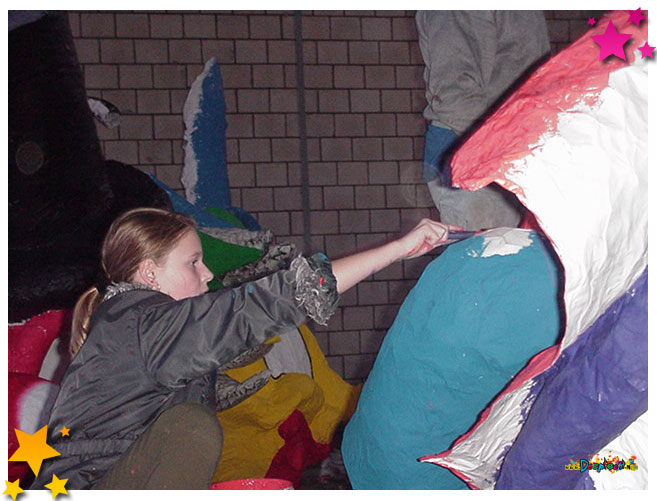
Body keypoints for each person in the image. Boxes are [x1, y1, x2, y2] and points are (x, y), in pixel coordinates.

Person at [30, 207, 454, 490]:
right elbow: (259, 307)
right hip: (86, 487)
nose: (207, 273)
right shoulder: (142, 323)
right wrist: (395, 250)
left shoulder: (133, 325)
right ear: (149, 273)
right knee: (191, 426)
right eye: (192, 262)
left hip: (98, 481)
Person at [416, 10, 550, 230]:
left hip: (510, 153)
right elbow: (454, 95)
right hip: (473, 155)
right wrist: (512, 150)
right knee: (494, 249)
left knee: (516, 249)